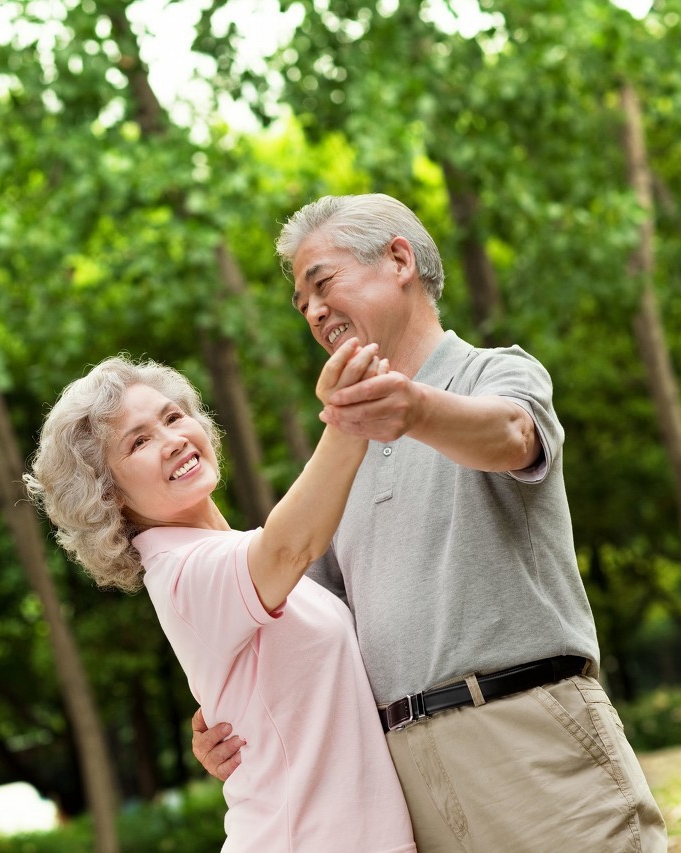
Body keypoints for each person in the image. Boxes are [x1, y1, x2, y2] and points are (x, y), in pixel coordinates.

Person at [191, 193, 667, 851]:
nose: (315, 311)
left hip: (530, 744)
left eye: (322, 284)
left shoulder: (497, 372)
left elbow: (509, 433)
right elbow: (312, 631)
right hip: (407, 782)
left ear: (398, 259)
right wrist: (234, 722)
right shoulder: (338, 460)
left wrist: (410, 408)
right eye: (301, 305)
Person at [24, 346, 416, 852]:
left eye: (172, 417)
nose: (172, 440)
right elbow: (289, 546)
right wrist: (347, 419)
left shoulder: (229, 553)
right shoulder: (185, 574)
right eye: (138, 441)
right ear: (109, 494)